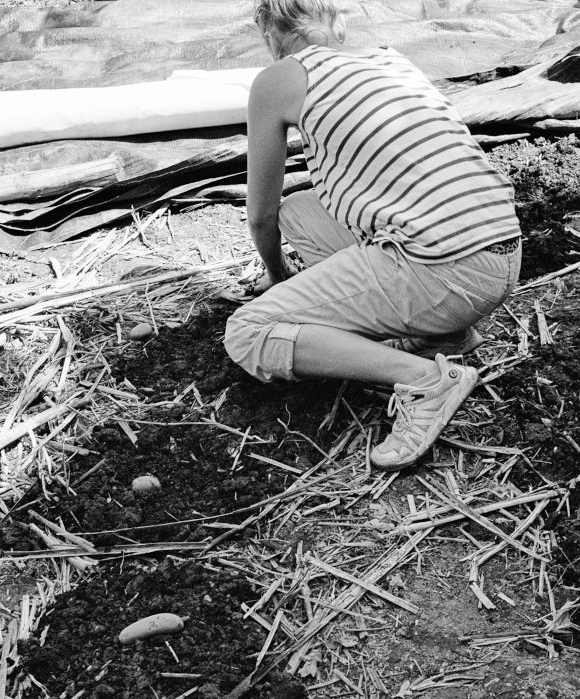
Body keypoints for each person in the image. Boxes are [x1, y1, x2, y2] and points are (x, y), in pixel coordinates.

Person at [223, 0, 521, 469]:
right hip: (500, 253)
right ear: (338, 21)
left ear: (266, 26)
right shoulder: (390, 58)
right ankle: (446, 333)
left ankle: (427, 380)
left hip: (444, 268)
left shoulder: (279, 79)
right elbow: (281, 214)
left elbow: (259, 213)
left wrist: (277, 275)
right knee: (299, 212)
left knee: (248, 332)